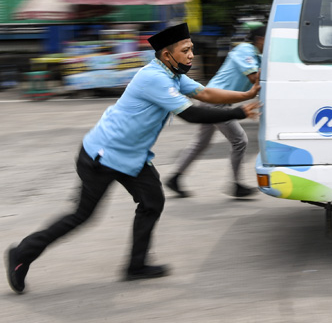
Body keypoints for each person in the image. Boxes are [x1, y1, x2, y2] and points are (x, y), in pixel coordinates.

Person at [5, 23, 260, 294]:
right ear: (166, 55)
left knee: (152, 201)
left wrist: (244, 95)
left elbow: (205, 93)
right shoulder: (155, 78)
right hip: (103, 155)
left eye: (192, 50)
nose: (191, 55)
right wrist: (238, 113)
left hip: (132, 157)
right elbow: (191, 114)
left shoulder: (173, 75)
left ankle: (136, 266)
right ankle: (21, 254)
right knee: (82, 215)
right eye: (185, 50)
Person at [166, 24, 265, 199]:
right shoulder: (245, 50)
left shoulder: (258, 56)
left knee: (201, 143)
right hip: (215, 100)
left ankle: (175, 177)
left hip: (215, 100)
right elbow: (254, 78)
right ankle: (236, 185)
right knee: (239, 140)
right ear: (260, 39)